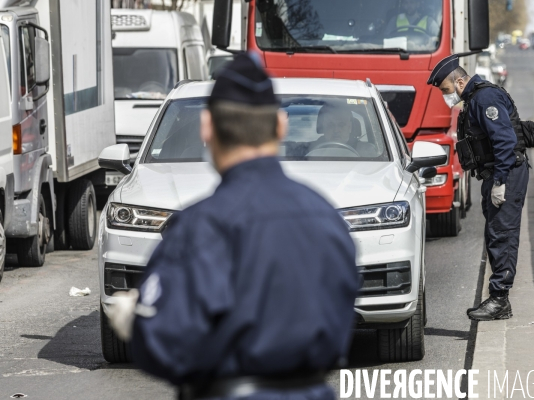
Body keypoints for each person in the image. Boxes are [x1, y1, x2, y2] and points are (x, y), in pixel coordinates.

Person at [106, 53, 360, 399]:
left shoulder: (203, 226)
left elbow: (167, 342)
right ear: (280, 126)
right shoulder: (325, 218)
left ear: (207, 128)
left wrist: (137, 324)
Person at [427, 54, 530, 321]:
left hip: (505, 173)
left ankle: (500, 301)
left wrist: (499, 181)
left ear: (460, 81)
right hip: (496, 173)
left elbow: (505, 141)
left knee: (502, 235)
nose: (446, 96)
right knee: (495, 233)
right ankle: (498, 297)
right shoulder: (475, 98)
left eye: (446, 90)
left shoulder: (485, 99)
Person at [309, 104, 378, 157]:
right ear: (323, 127)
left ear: (350, 127)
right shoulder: (308, 150)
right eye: (330, 125)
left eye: (341, 125)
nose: (336, 130)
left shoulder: (366, 151)